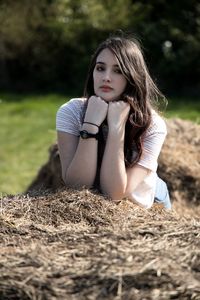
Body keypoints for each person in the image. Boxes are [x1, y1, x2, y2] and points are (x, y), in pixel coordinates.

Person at [56, 35, 171, 209]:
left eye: (118, 71)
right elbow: (77, 185)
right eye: (100, 68)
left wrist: (117, 129)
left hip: (147, 201)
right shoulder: (71, 111)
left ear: (132, 77)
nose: (106, 77)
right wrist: (91, 125)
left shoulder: (153, 125)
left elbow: (114, 194)